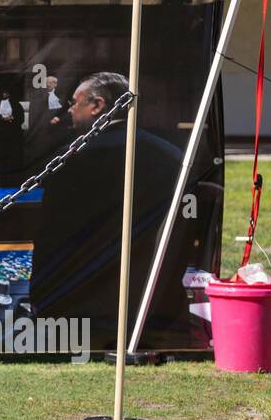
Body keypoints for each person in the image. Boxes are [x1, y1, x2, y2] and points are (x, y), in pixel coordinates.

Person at [28, 72, 191, 349]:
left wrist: (40, 295)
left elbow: (51, 233)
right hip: (149, 299)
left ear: (97, 105)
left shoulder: (71, 160)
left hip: (80, 307)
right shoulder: (171, 156)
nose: (70, 109)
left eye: (75, 103)